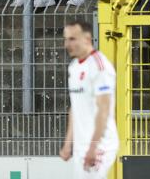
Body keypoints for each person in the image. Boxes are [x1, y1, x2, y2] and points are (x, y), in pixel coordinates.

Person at [59, 19, 119, 179]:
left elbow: (103, 110)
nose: (67, 44)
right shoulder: (74, 67)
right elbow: (75, 107)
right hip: (81, 145)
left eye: (72, 39)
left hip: (100, 144)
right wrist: (68, 143)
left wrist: (93, 147)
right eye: (65, 39)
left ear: (87, 39)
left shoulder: (99, 66)